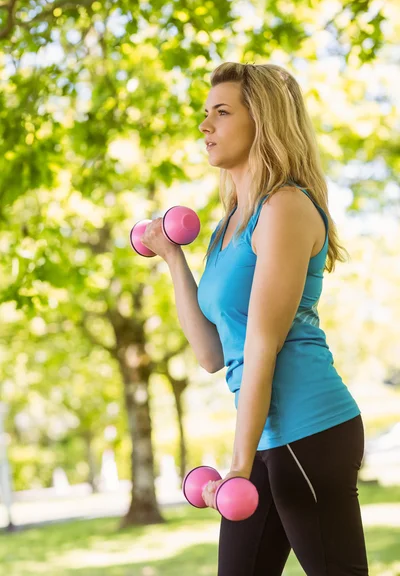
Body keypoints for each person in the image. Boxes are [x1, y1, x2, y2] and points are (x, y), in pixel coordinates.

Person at [140, 62, 369, 576]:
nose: (205, 126)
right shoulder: (227, 229)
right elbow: (212, 355)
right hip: (265, 434)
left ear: (263, 121)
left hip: (310, 428)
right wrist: (174, 260)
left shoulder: (284, 208)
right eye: (205, 113)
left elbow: (263, 347)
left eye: (221, 113)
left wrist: (238, 464)